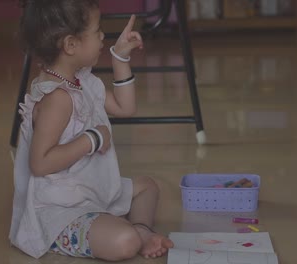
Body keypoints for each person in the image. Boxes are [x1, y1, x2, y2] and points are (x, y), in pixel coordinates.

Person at [9, 0, 174, 260]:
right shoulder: (57, 98)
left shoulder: (82, 81)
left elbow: (125, 106)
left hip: (91, 190)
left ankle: (141, 231)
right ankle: (127, 234)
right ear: (71, 45)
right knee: (124, 241)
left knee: (148, 187)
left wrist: (121, 57)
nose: (102, 37)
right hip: (61, 208)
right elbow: (39, 163)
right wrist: (91, 139)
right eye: (97, 31)